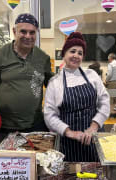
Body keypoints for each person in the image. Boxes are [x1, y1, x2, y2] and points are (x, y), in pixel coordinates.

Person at [0, 13, 53, 145]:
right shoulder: (0, 55)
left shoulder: (43, 58)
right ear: (14, 31)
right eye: (23, 31)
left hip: (35, 125)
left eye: (32, 32)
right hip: (5, 127)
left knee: (36, 162)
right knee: (9, 164)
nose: (28, 36)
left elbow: (53, 85)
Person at [44, 32, 110, 162]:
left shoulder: (92, 75)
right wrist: (69, 132)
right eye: (72, 51)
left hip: (94, 138)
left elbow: (105, 102)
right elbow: (49, 115)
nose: (76, 55)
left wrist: (93, 127)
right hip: (68, 143)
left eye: (80, 53)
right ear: (64, 54)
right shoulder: (55, 82)